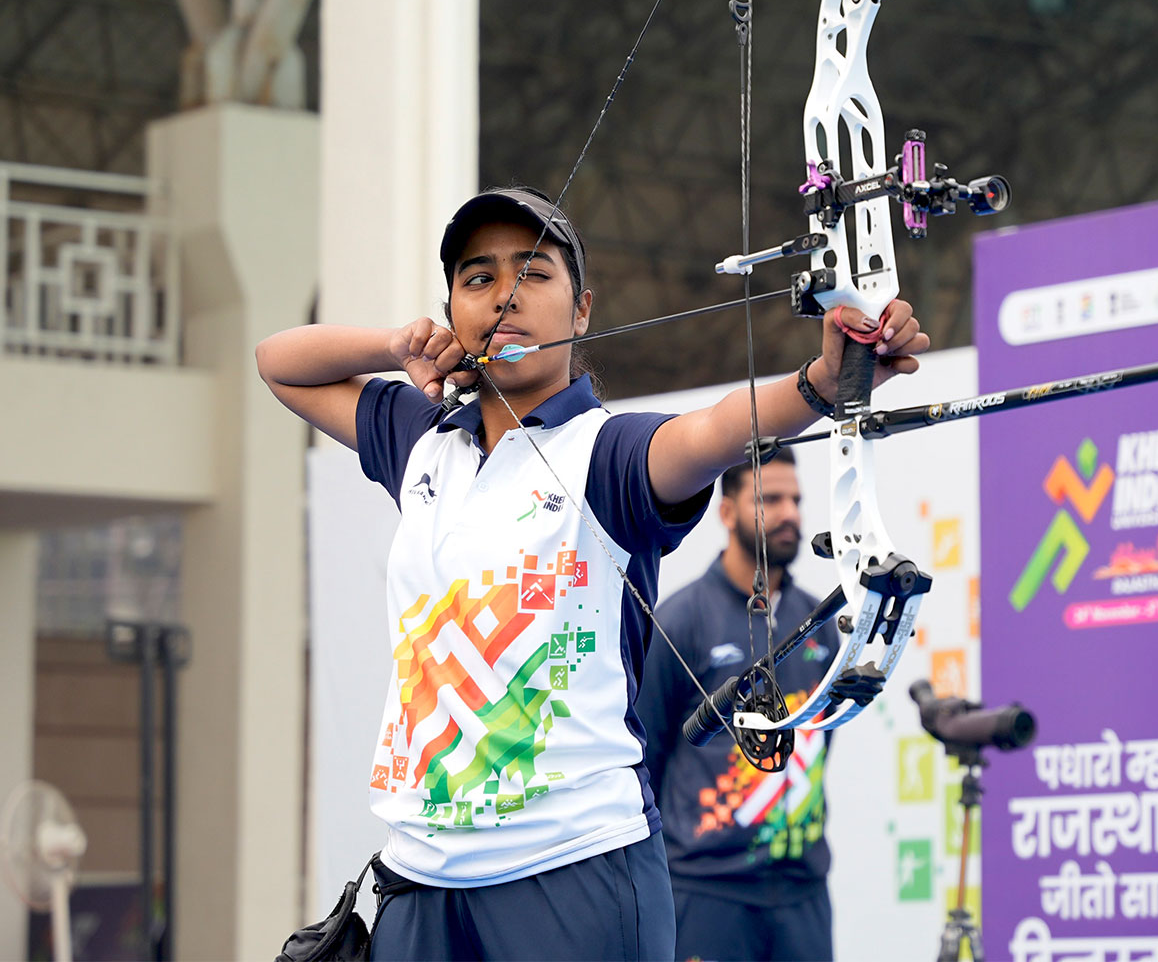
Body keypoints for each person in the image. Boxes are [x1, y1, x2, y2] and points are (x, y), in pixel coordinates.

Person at [254, 186, 927, 961]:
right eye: (478, 279)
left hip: (574, 872)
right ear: (453, 311)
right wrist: (397, 347)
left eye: (534, 273)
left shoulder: (605, 453)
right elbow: (280, 365)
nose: (504, 294)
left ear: (581, 312)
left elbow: (711, 431)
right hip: (421, 877)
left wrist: (821, 380)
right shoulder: (422, 443)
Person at [636, 446, 838, 962]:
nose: (790, 512)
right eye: (770, 499)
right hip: (707, 894)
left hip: (803, 892)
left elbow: (816, 741)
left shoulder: (818, 623)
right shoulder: (680, 622)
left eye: (795, 499)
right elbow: (646, 756)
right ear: (726, 512)